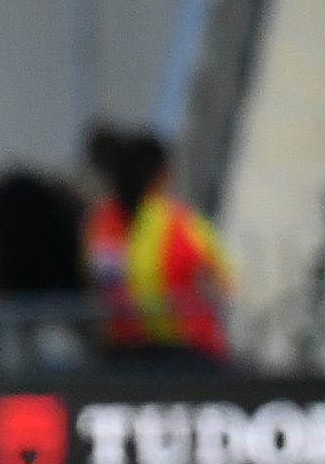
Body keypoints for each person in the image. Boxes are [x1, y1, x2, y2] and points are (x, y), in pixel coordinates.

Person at [83, 126, 231, 366]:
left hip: (123, 356)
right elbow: (221, 284)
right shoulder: (181, 222)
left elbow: (100, 283)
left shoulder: (101, 223)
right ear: (162, 173)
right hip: (189, 355)